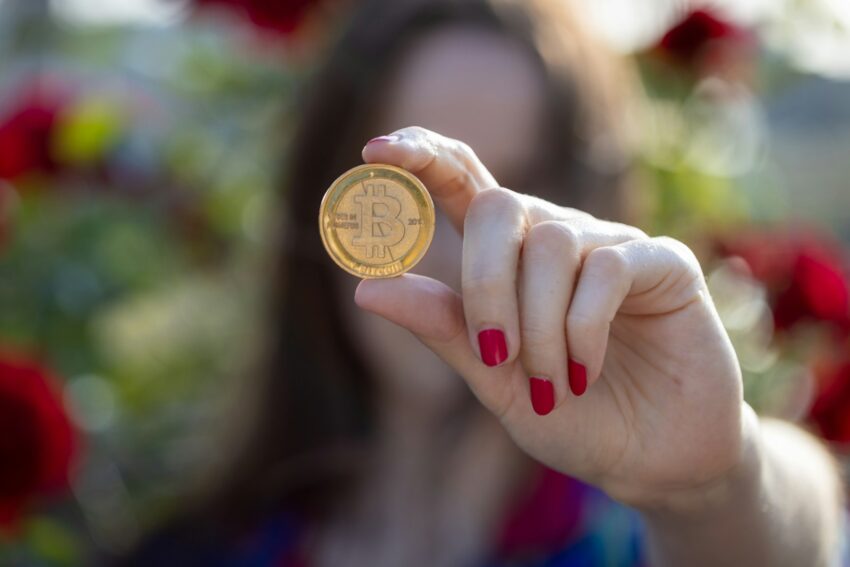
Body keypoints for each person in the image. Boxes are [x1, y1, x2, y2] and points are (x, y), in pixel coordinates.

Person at [121, 0, 844, 565]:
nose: (466, 248)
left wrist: (714, 487)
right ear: (321, 207)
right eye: (403, 195)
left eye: (519, 189)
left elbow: (796, 520)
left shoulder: (640, 534)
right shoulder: (191, 552)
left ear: (590, 207)